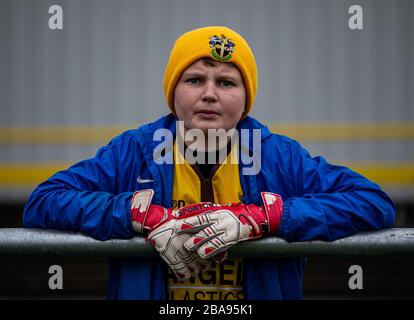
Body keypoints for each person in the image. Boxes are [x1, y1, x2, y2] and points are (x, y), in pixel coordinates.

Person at [23, 26, 396, 300]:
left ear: (246, 98)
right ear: (173, 93)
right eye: (194, 79)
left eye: (227, 82)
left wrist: (264, 217)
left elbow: (373, 202)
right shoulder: (134, 150)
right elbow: (44, 201)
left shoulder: (277, 155)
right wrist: (137, 215)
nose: (209, 94)